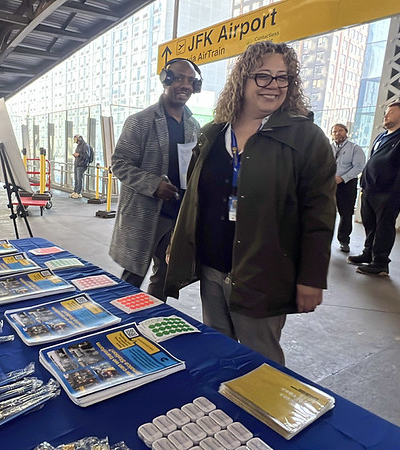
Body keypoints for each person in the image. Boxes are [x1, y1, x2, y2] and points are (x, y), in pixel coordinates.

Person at [164, 41, 336, 365]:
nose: (274, 86)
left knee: (262, 361)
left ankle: (263, 415)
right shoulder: (213, 133)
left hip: (264, 272)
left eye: (282, 77)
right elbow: (194, 196)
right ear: (242, 79)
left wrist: (311, 277)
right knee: (217, 350)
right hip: (213, 264)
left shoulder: (306, 139)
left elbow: (320, 214)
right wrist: (178, 242)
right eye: (263, 76)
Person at [109, 58, 202, 300]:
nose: (185, 85)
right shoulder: (140, 122)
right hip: (145, 213)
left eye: (191, 81)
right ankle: (123, 320)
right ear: (166, 79)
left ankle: (153, 319)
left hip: (177, 214)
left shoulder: (194, 125)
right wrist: (153, 185)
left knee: (166, 275)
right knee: (133, 275)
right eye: (179, 78)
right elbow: (119, 164)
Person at [347, 101, 400, 276]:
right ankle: (368, 253)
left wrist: (397, 194)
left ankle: (380, 262)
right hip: (370, 190)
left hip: (389, 193)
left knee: (384, 227)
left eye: (391, 112)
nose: (386, 115)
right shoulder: (383, 136)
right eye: (386, 112)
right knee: (370, 225)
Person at [331, 123, 365, 253]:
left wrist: (342, 178)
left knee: (345, 213)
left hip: (347, 184)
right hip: (329, 184)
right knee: (325, 212)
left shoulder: (355, 148)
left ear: (346, 132)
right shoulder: (328, 148)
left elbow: (359, 167)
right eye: (335, 131)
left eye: (340, 131)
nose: (337, 133)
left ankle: (344, 240)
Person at [70, 135, 91, 199]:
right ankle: (75, 191)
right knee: (76, 179)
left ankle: (78, 192)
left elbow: (87, 155)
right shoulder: (78, 146)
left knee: (79, 179)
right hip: (77, 164)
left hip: (82, 165)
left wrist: (79, 155)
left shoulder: (85, 145)